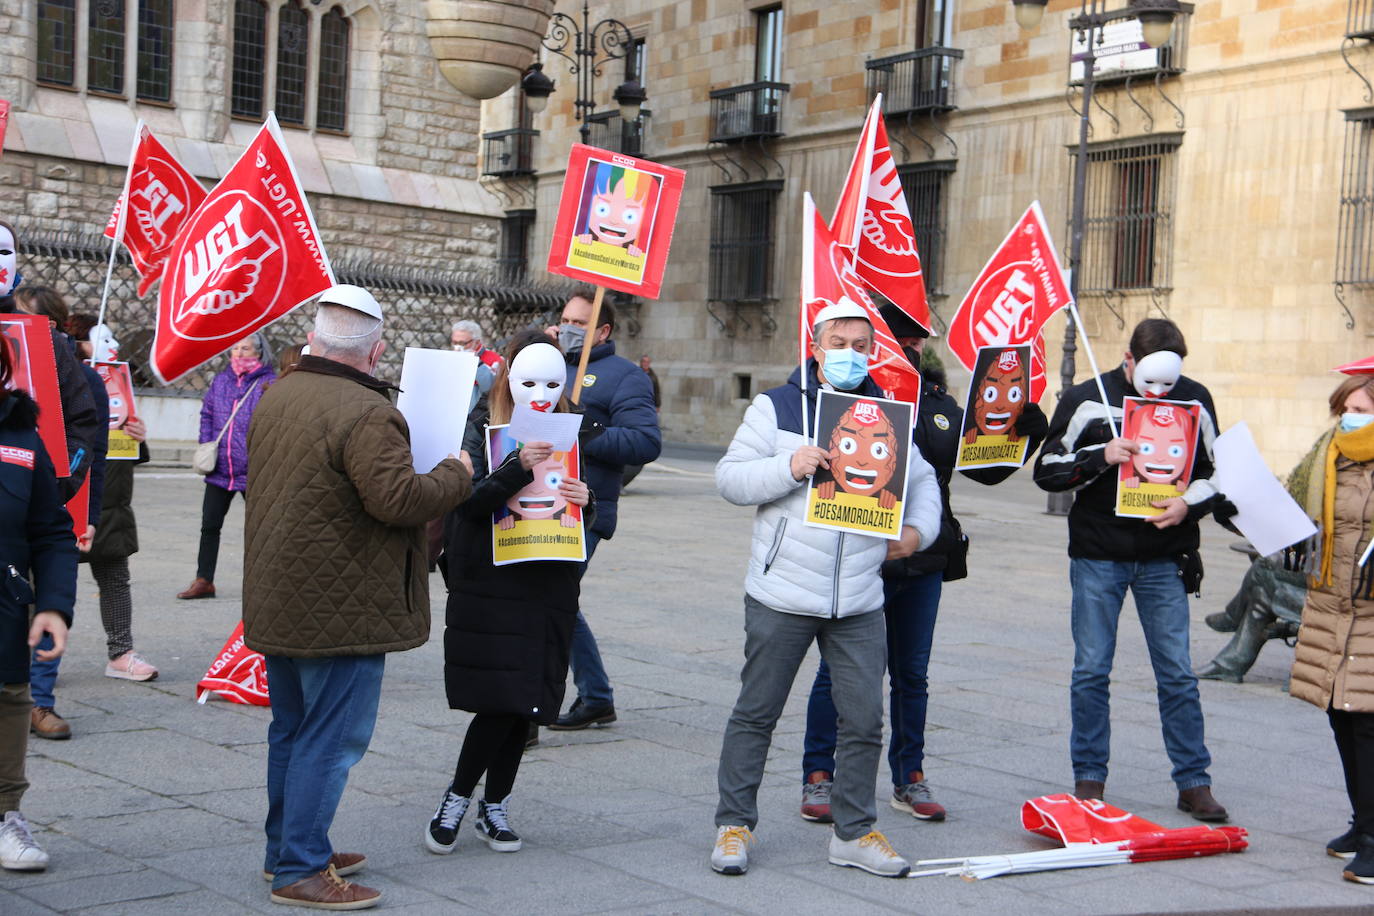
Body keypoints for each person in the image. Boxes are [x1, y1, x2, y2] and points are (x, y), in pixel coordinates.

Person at [242, 285, 472, 909]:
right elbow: (398, 500)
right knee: (331, 736)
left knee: (292, 728)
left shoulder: (279, 391)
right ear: (375, 354)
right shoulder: (368, 413)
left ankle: (286, 848)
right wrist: (456, 471)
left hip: (281, 593)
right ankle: (301, 867)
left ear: (315, 341)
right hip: (341, 605)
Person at [710, 301, 941, 878]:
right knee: (756, 713)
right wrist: (788, 465)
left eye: (860, 344)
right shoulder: (777, 405)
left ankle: (855, 832)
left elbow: (923, 481)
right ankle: (734, 825)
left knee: (864, 721)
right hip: (781, 593)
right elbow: (730, 479)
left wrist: (916, 532)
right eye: (838, 342)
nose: (849, 354)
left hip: (860, 598)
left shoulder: (889, 411)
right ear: (814, 347)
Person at [799, 304, 1048, 825]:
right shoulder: (842, 397)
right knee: (838, 670)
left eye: (916, 341)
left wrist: (1023, 435)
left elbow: (982, 469)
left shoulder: (937, 402)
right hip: (859, 554)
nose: (911, 349)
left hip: (924, 557)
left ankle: (909, 776)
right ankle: (819, 775)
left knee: (911, 673)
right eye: (899, 340)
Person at [1032, 317, 1227, 821]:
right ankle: (1089, 779)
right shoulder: (1087, 398)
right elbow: (1046, 471)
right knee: (1092, 671)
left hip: (1165, 556)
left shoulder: (1195, 399)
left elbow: (1215, 474)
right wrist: (1100, 454)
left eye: (1169, 381)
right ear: (1128, 360)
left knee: (1178, 674)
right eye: (1150, 380)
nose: (1161, 391)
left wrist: (1187, 504)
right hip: (1099, 556)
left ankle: (1193, 782)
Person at [426, 332, 593, 856]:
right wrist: (513, 468)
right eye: (529, 380)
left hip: (548, 577)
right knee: (501, 699)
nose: (541, 392)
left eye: (551, 382)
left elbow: (599, 509)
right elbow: (467, 502)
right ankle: (457, 797)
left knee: (528, 700)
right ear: (508, 379)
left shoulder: (575, 429)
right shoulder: (479, 426)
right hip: (494, 581)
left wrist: (588, 500)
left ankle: (495, 803)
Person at [544, 290, 661, 731]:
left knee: (553, 597)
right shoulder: (552, 367)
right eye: (565, 319)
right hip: (540, 501)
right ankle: (595, 696)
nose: (569, 327)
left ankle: (581, 696)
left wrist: (584, 431)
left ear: (603, 331)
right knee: (555, 598)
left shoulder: (625, 376)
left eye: (580, 321)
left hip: (587, 508)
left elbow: (646, 443)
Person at [1287, 370, 1374, 883]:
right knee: (1340, 716)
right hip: (1330, 603)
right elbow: (1296, 505)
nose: (1347, 418)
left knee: (1366, 722)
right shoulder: (1328, 455)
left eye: (1358, 408)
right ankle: (1361, 823)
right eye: (1342, 409)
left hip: (1370, 609)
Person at [15, 288, 108, 741]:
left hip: (53, 509)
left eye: (30, 319)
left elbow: (93, 449)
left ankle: (40, 701)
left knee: (50, 599)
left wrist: (76, 500)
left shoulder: (79, 376)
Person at [0, 334, 78, 871]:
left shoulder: (23, 439)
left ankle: (5, 815)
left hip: (5, 606)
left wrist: (52, 603)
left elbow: (52, 532)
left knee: (9, 700)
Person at [67, 315, 159, 683]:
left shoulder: (118, 383)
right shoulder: (64, 382)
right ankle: (37, 657)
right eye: (98, 339)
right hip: (69, 498)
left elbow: (129, 453)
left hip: (113, 501)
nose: (111, 346)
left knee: (116, 579)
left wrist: (137, 436)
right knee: (47, 584)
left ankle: (121, 653)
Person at [0, 220, 101, 503]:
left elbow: (81, 419)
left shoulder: (47, 341)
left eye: (3, 251)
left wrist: (55, 486)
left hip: (21, 508)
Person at [178, 332, 276, 600]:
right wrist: (206, 443)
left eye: (246, 349)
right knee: (209, 526)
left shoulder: (269, 383)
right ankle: (204, 580)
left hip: (252, 471)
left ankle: (262, 583)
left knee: (260, 530)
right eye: (236, 349)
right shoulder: (221, 381)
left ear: (259, 353)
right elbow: (207, 413)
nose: (240, 354)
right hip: (219, 470)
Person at [452, 318, 502, 413]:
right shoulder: (450, 359)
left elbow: (491, 390)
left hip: (478, 417)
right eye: (455, 343)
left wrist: (477, 364)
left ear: (477, 342)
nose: (457, 348)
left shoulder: (494, 360)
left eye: (463, 343)